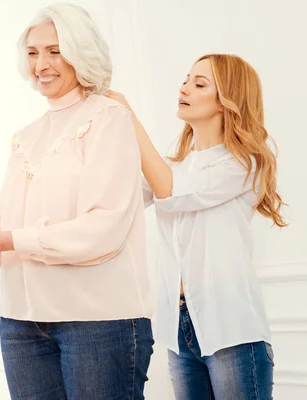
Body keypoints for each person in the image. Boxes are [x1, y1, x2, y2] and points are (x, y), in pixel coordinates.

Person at [0, 4, 154, 399]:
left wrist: (3, 241)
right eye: (32, 52)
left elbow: (103, 230)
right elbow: (6, 226)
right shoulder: (25, 136)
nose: (41, 64)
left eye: (54, 50)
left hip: (97, 321)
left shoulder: (109, 117)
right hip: (20, 323)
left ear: (81, 52)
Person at [107, 53, 284, 400]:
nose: (185, 88)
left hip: (232, 328)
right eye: (186, 79)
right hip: (177, 327)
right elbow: (119, 198)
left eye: (199, 83)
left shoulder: (244, 164)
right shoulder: (176, 165)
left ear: (227, 102)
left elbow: (171, 194)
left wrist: (130, 118)